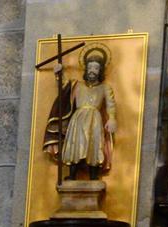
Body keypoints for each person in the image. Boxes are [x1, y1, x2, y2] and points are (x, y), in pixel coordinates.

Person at [46, 45, 117, 181]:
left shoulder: (105, 88)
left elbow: (111, 104)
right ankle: (72, 175)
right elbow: (64, 86)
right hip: (77, 119)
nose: (92, 71)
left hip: (94, 119)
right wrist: (59, 73)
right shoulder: (77, 85)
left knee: (94, 145)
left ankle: (94, 176)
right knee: (75, 145)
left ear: (100, 70)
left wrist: (112, 118)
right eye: (90, 67)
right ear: (86, 69)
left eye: (95, 68)